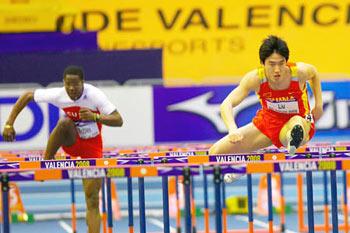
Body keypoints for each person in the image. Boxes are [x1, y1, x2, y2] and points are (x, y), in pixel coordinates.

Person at [2, 65, 123, 233]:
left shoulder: (94, 95)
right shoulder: (59, 94)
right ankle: (46, 163)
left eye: (76, 84)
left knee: (93, 199)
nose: (72, 88)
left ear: (83, 83)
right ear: (63, 83)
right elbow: (28, 95)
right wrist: (9, 123)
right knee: (64, 122)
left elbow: (118, 120)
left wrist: (96, 116)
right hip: (72, 141)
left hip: (92, 147)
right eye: (68, 84)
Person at [209, 35, 323, 182]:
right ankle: (246, 163)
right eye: (271, 64)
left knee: (295, 128)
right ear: (263, 63)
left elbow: (314, 73)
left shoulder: (299, 72)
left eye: (281, 63)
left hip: (300, 122)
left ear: (286, 62)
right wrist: (232, 128)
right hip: (268, 123)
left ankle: (292, 140)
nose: (277, 70)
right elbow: (227, 103)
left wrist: (318, 104)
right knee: (214, 152)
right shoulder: (255, 79)